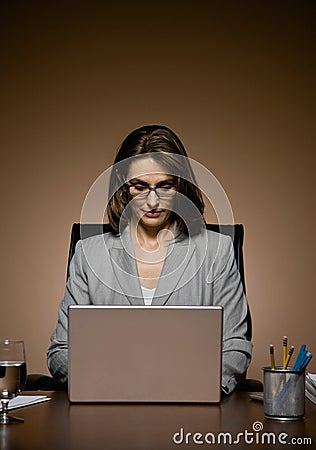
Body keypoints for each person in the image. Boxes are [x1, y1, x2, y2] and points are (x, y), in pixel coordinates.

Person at [47, 124, 252, 394]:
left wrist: (192, 387)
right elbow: (61, 351)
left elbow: (235, 346)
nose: (152, 200)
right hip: (106, 408)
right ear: (122, 184)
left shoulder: (218, 250)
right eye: (139, 187)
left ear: (180, 184)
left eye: (164, 185)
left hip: (192, 408)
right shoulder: (89, 254)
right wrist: (109, 384)